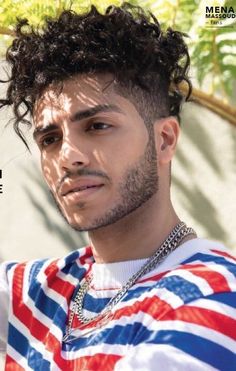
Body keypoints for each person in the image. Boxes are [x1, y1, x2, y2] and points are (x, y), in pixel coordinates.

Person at [0, 4, 235, 370]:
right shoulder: (32, 287)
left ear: (165, 139)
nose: (68, 157)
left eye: (97, 126)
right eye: (49, 139)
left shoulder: (213, 295)